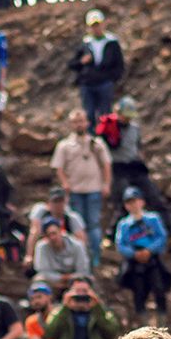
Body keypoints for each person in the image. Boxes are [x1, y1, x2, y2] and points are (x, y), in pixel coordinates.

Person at [51, 113, 111, 267]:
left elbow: (106, 164)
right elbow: (58, 167)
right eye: (75, 122)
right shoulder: (65, 145)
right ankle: (80, 256)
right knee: (77, 225)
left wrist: (106, 184)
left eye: (81, 121)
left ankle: (94, 256)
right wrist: (65, 183)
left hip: (93, 188)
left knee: (93, 224)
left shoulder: (96, 143)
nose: (79, 124)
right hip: (75, 190)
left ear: (87, 122)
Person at [113, 188, 171, 319]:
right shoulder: (124, 224)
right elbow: (120, 244)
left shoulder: (153, 219)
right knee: (138, 292)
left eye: (135, 201)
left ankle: (162, 320)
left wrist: (149, 250)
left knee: (159, 289)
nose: (133, 205)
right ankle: (143, 321)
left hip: (152, 259)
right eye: (129, 202)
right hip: (134, 262)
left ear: (142, 202)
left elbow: (162, 236)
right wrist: (134, 254)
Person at [71, 9, 125, 126]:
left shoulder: (112, 42)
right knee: (89, 114)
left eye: (98, 25)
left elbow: (119, 64)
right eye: (93, 26)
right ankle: (90, 140)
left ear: (103, 24)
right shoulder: (85, 43)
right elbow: (72, 64)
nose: (96, 28)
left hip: (105, 83)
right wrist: (82, 62)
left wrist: (112, 79)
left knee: (105, 115)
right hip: (88, 84)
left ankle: (105, 140)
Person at [31, 214, 91, 292]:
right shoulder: (41, 247)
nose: (52, 238)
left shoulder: (77, 245)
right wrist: (62, 278)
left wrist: (71, 278)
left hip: (74, 280)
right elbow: (43, 271)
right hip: (53, 281)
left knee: (86, 281)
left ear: (61, 231)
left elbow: (83, 269)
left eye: (54, 233)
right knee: (38, 280)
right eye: (48, 235)